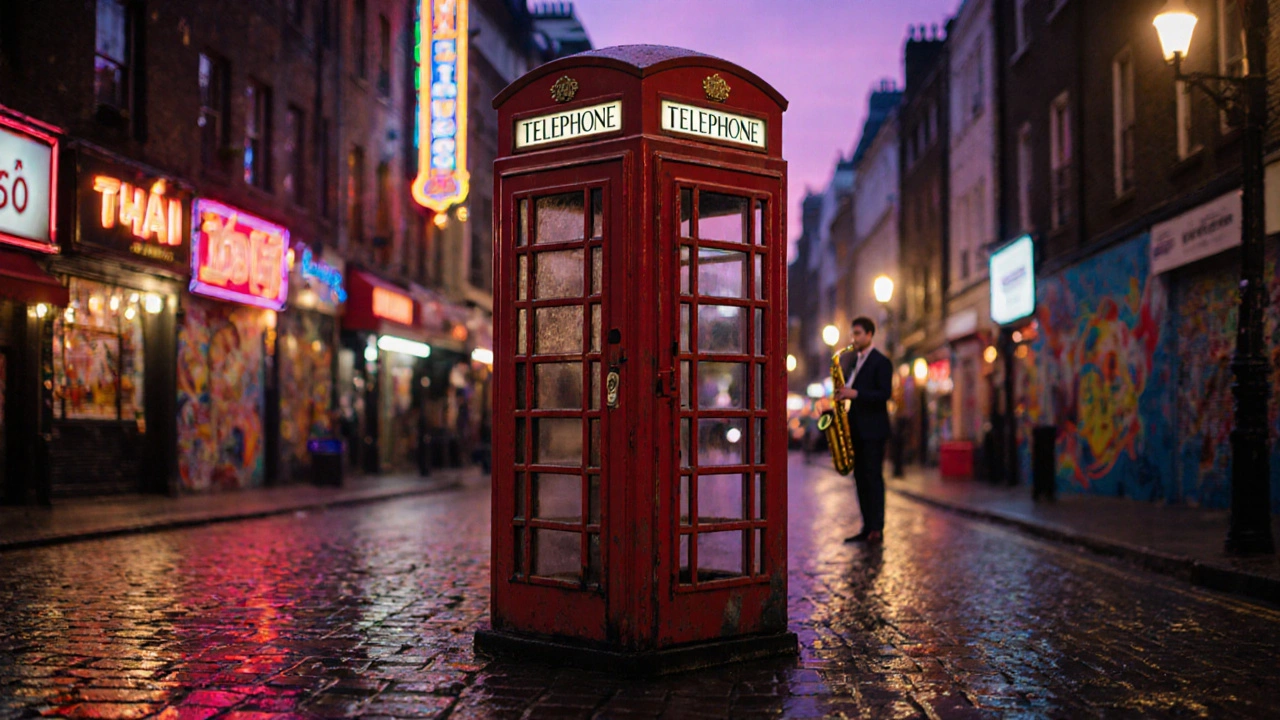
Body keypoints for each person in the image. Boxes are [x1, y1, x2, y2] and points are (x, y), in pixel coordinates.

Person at [833, 316, 893, 544]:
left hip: (873, 431)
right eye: (853, 334)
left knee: (873, 478)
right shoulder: (853, 362)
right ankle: (867, 526)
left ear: (869, 334)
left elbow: (884, 394)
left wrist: (854, 394)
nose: (854, 338)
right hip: (856, 430)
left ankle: (877, 527)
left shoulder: (881, 362)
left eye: (858, 334)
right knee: (859, 479)